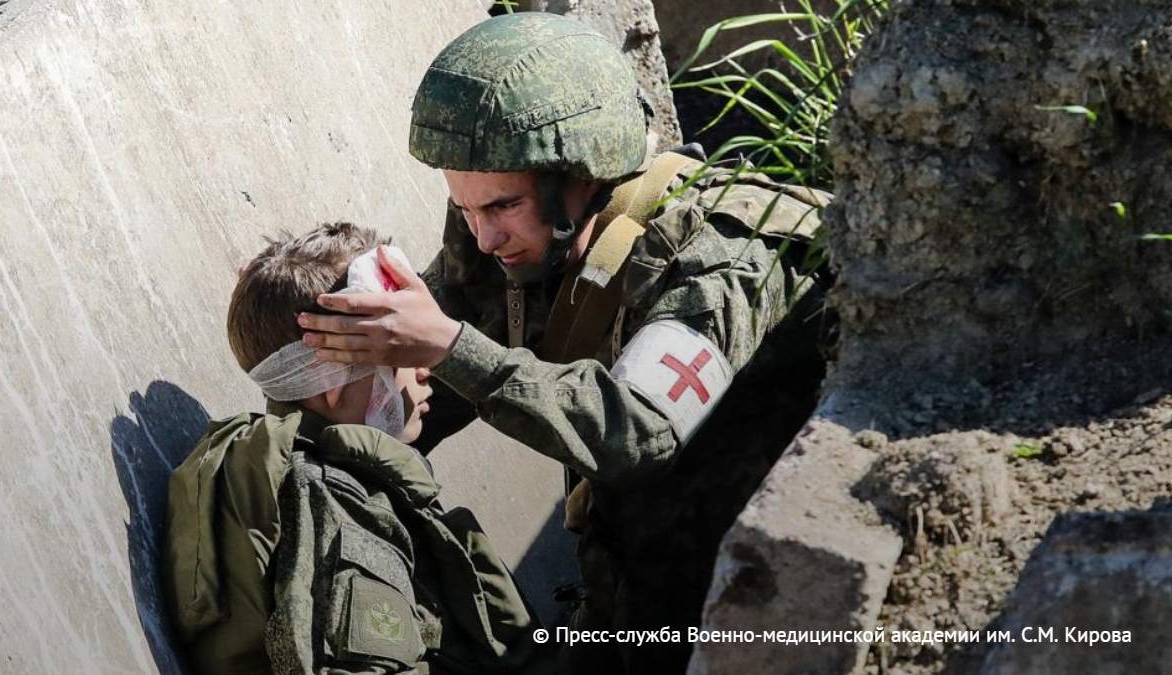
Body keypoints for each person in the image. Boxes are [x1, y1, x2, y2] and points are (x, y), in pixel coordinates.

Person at [297, 12, 833, 674]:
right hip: (627, 595)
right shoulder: (527, 237)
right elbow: (410, 387)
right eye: (465, 209)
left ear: (580, 176)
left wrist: (447, 346)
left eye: (500, 207)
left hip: (753, 615)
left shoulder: (721, 258)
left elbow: (636, 426)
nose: (483, 236)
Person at [162, 222, 548, 675]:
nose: (424, 370)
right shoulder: (339, 506)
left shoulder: (329, 482)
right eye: (398, 351)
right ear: (330, 382)